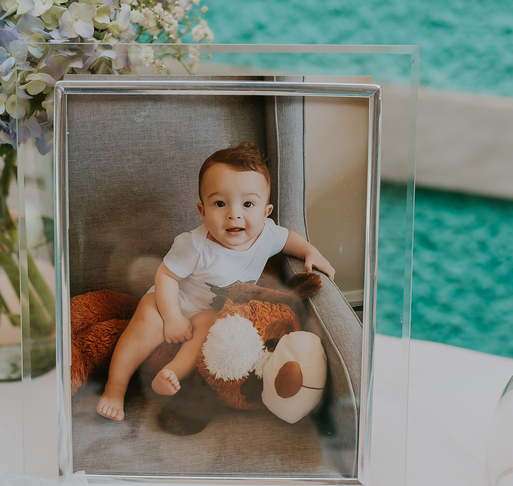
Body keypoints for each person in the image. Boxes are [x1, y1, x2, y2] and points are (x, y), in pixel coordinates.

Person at [96, 143, 335, 421]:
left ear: (266, 211)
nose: (234, 214)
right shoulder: (194, 245)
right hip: (170, 302)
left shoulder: (266, 235)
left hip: (206, 313)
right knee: (145, 326)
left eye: (247, 204)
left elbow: (290, 239)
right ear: (202, 210)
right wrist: (171, 317)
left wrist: (310, 252)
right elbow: (166, 275)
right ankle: (115, 387)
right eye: (220, 203)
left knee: (208, 322)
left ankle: (171, 372)